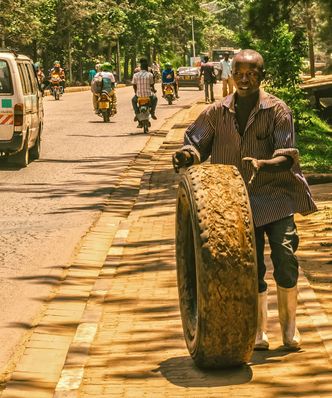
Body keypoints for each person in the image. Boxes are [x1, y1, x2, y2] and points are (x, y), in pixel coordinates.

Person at [172, 49, 317, 351]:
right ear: (231, 75)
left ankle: (290, 328)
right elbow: (196, 143)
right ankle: (259, 331)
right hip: (232, 205)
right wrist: (187, 155)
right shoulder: (216, 112)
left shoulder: (278, 110)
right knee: (248, 268)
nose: (244, 79)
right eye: (239, 73)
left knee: (285, 258)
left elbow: (288, 155)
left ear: (262, 76)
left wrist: (265, 163)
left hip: (276, 198)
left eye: (251, 73)